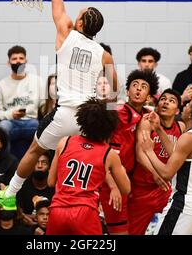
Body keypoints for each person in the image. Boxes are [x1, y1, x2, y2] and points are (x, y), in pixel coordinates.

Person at [0, 0, 118, 211]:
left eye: (80, 13)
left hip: (65, 113)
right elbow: (113, 94)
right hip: (89, 118)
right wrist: (104, 119)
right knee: (89, 159)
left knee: (34, 152)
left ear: (81, 23)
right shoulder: (104, 55)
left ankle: (11, 195)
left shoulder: (66, 32)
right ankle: (92, 201)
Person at [139, 90, 192, 235]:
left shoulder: (189, 138)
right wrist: (159, 128)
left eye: (189, 104)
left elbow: (166, 173)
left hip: (183, 207)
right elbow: (177, 155)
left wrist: (149, 151)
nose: (185, 106)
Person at [46, 98, 131, 235]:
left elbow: (50, 181)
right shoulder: (109, 153)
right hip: (85, 212)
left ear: (82, 120)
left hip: (58, 210)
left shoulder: (64, 142)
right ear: (110, 126)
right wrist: (120, 169)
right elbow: (126, 189)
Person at [99, 69, 158, 235]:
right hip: (110, 182)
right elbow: (100, 154)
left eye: (143, 86)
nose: (138, 89)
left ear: (148, 96)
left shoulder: (148, 115)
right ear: (127, 91)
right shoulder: (116, 113)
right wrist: (112, 186)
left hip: (130, 182)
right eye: (135, 85)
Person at [128, 88, 185, 235]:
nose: (166, 102)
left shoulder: (181, 127)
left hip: (166, 190)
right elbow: (140, 153)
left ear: (177, 111)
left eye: (171, 101)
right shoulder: (147, 122)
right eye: (163, 99)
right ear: (157, 104)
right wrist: (154, 173)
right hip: (143, 188)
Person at [0, 45, 44, 160]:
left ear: (26, 61)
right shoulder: (1, 85)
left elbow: (45, 106)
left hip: (31, 122)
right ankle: (5, 164)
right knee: (3, 127)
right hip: (10, 122)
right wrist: (11, 114)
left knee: (39, 128)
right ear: (8, 63)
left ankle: (38, 164)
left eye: (21, 58)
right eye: (14, 59)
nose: (18, 61)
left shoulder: (37, 81)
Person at [17, 152, 55, 226]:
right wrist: (23, 216)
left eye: (44, 163)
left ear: (50, 167)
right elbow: (18, 210)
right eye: (36, 162)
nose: (40, 166)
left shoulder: (55, 186)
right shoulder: (22, 185)